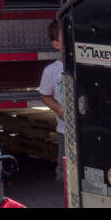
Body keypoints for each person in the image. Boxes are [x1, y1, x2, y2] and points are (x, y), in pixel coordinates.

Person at [39, 19, 65, 182]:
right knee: (66, 165)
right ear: (56, 45)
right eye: (66, 35)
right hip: (66, 130)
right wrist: (58, 109)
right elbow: (45, 95)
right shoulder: (52, 71)